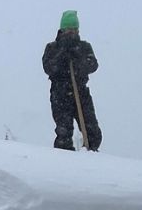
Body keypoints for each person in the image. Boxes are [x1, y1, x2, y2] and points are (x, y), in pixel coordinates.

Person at [42, 10, 102, 151]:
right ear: (62, 30)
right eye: (69, 29)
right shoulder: (52, 48)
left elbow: (93, 65)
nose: (72, 33)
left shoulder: (83, 47)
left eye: (74, 29)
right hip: (60, 94)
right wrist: (62, 52)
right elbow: (49, 67)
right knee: (64, 133)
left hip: (81, 93)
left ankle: (91, 158)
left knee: (92, 132)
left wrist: (78, 57)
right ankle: (65, 164)